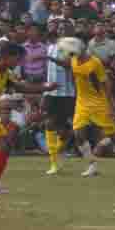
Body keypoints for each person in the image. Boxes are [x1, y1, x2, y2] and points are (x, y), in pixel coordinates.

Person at [47, 38, 115, 177]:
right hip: (82, 103)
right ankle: (92, 165)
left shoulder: (95, 62)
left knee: (113, 136)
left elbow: (106, 84)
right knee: (79, 135)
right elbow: (66, 64)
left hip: (99, 103)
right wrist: (48, 58)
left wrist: (110, 105)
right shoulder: (74, 59)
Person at [0, 43, 57, 194]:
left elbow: (20, 87)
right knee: (1, 146)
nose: (19, 63)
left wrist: (45, 88)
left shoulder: (4, 72)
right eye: (18, 59)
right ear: (6, 57)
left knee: (6, 147)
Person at [43, 23, 77, 175]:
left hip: (66, 94)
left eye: (66, 29)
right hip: (51, 93)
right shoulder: (51, 47)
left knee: (63, 130)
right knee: (49, 123)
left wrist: (50, 58)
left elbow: (69, 65)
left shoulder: (73, 47)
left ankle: (59, 153)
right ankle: (54, 162)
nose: (62, 31)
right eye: (61, 29)